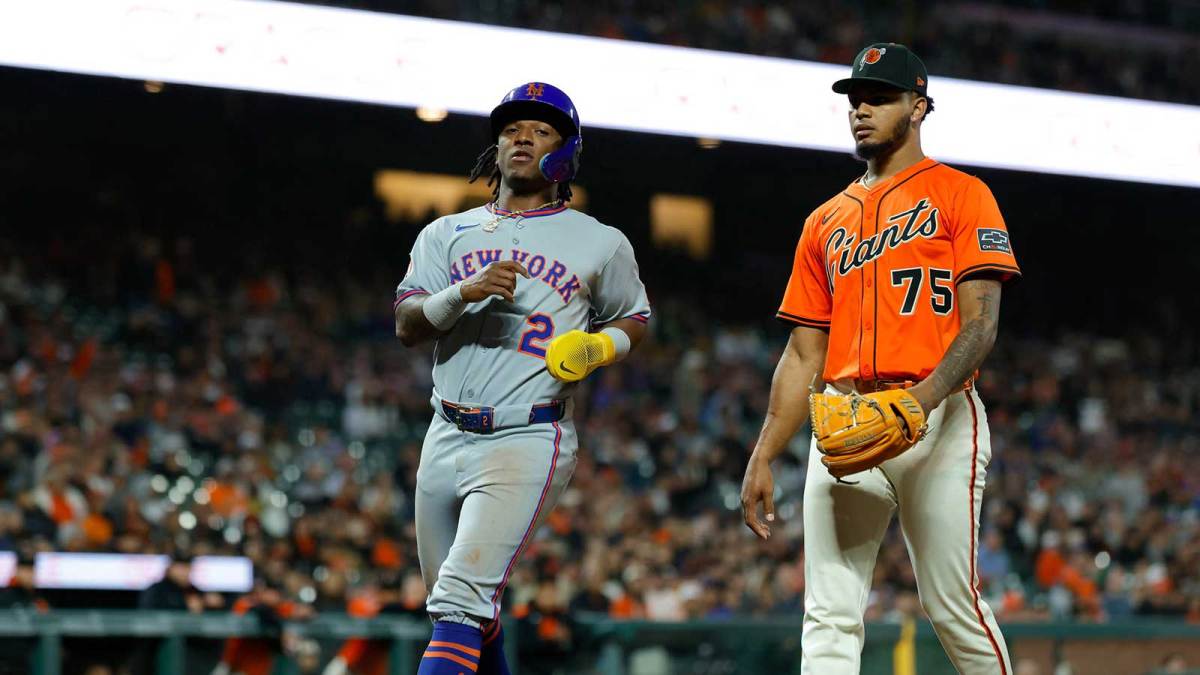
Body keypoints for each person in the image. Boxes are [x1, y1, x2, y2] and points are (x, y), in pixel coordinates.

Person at [740, 43, 1021, 673]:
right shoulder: (824, 221)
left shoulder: (962, 194)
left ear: (919, 107)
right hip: (844, 416)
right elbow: (802, 351)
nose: (861, 110)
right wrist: (764, 453)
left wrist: (918, 402)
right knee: (829, 615)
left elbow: (981, 326)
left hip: (938, 415)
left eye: (880, 97)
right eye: (855, 99)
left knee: (953, 604)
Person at [393, 81, 651, 674]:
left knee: (460, 595)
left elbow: (636, 316)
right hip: (445, 430)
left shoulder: (599, 241)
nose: (521, 138)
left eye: (540, 130)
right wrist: (461, 293)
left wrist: (598, 347)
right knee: (460, 612)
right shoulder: (444, 233)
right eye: (511, 129)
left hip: (528, 435)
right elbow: (407, 324)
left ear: (566, 154)